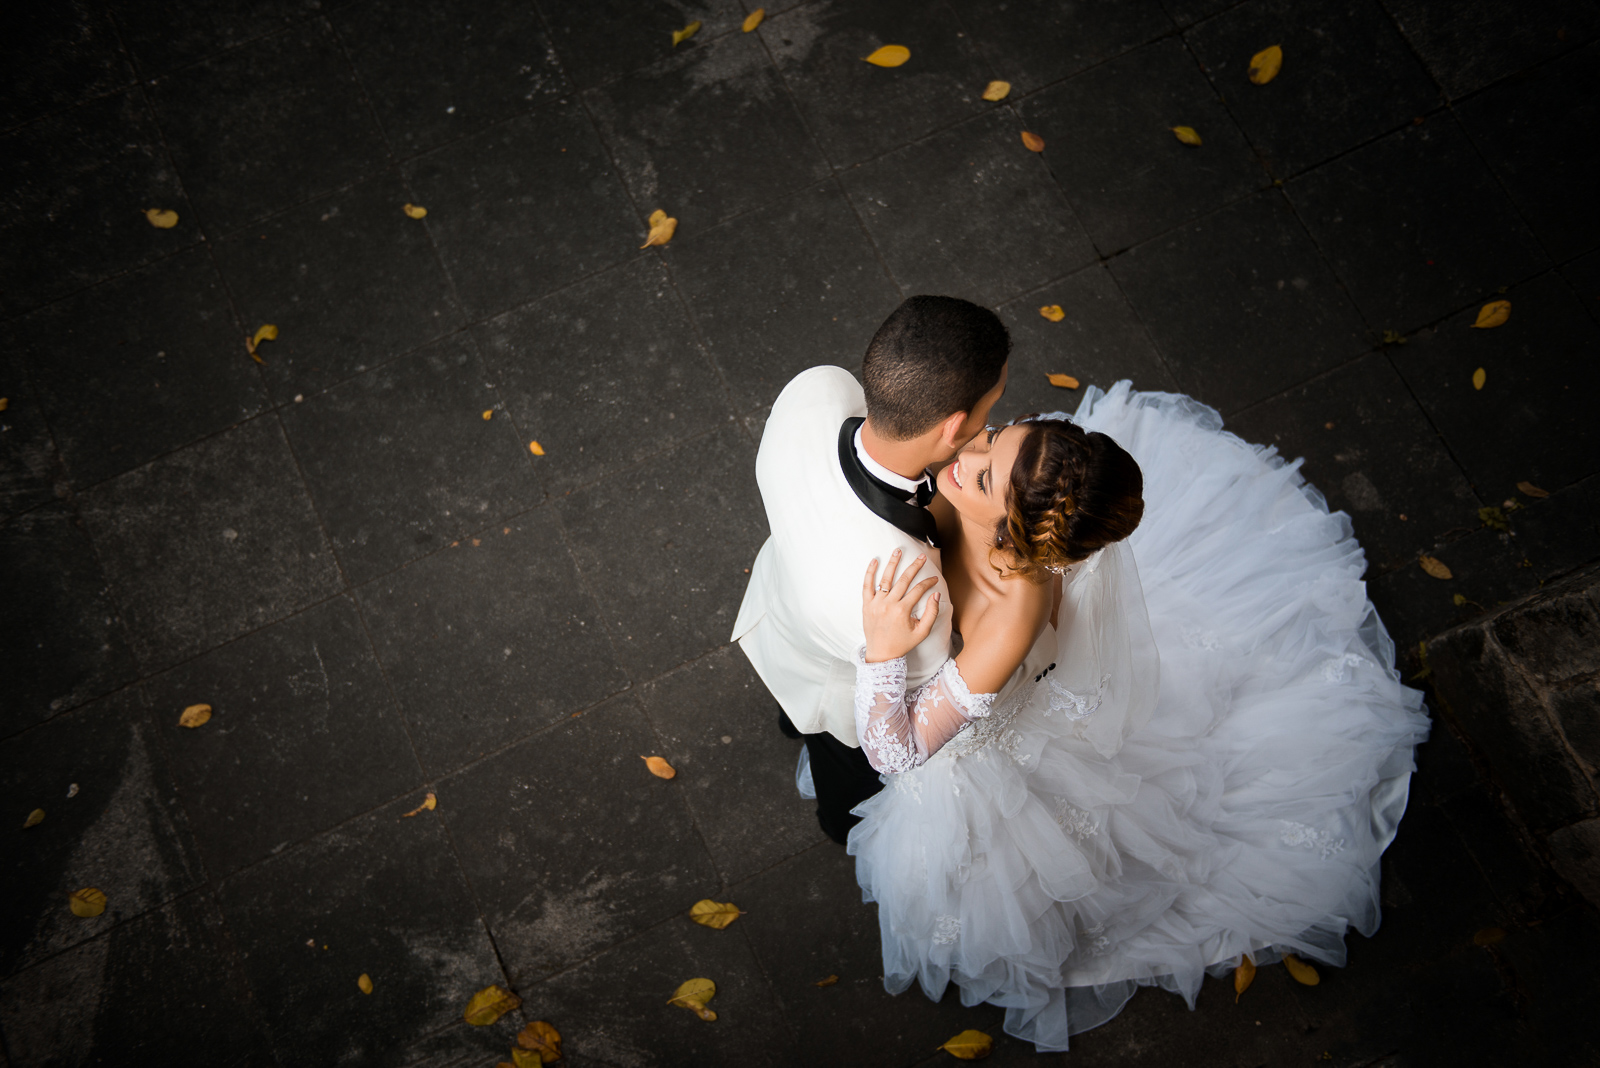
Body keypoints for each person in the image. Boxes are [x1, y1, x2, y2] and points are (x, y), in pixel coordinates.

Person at [845, 384, 1432, 1052]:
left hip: (981, 765)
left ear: (1013, 534)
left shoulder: (1011, 617)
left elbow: (894, 755)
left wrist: (884, 652)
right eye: (993, 436)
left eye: (983, 474)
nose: (963, 454)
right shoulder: (993, 493)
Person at [731, 295, 1040, 844]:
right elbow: (902, 720)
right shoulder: (912, 595)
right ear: (955, 428)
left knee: (788, 702)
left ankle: (785, 717)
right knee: (842, 777)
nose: (992, 422)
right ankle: (839, 826)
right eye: (992, 408)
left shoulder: (815, 389)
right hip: (833, 687)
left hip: (773, 606)